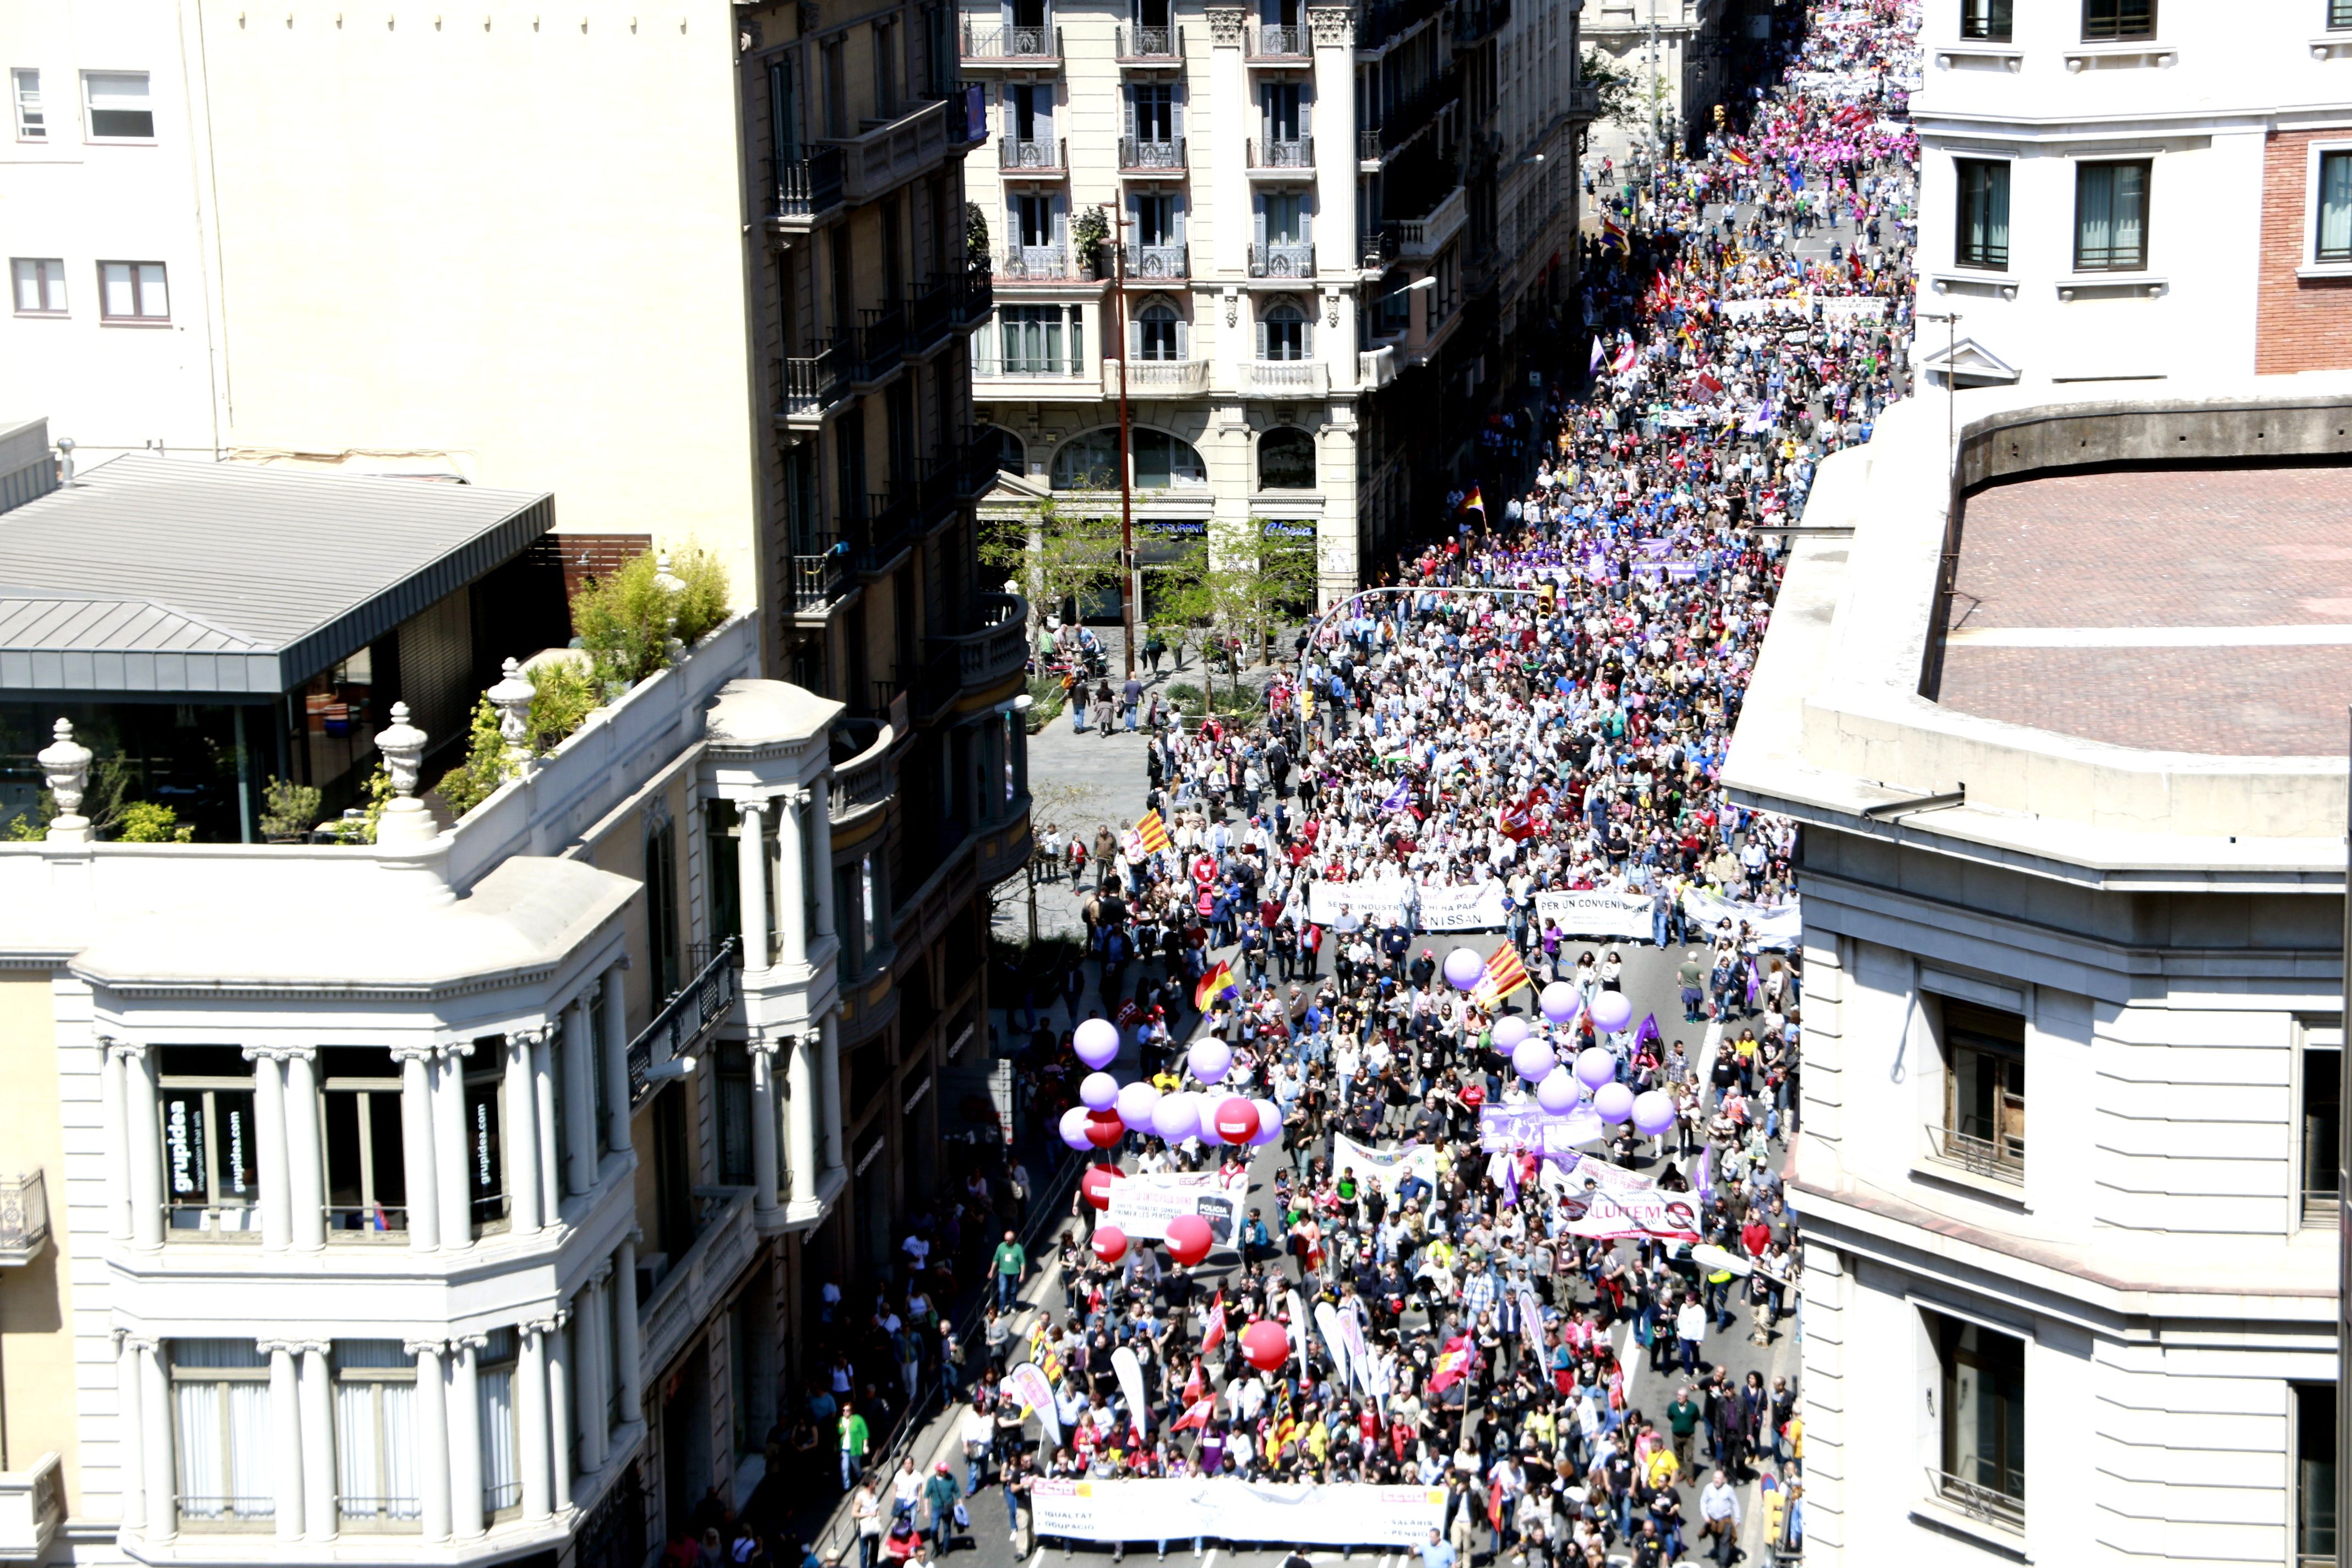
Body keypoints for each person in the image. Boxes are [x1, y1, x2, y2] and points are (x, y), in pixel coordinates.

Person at [839, 1404, 872, 1491]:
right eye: (844, 1410)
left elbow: (864, 1433)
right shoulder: (840, 1421)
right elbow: (837, 1435)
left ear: (852, 1411)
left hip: (855, 1448)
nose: (845, 1412)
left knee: (856, 1467)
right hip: (844, 1449)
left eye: (848, 1410)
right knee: (845, 1468)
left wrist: (865, 1445)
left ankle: (859, 1477)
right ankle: (847, 1486)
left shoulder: (858, 1419)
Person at [992, 1230, 1026, 1310]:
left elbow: (1022, 1262)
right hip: (1003, 1272)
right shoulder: (1001, 1247)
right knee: (1002, 1291)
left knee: (1013, 1291)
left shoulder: (1018, 1248)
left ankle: (1013, 1306)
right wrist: (992, 1271)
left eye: (1008, 1240)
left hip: (1015, 1273)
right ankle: (1001, 1309)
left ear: (1013, 1239)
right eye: (1005, 1240)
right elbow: (996, 1259)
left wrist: (1022, 1274)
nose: (1006, 1242)